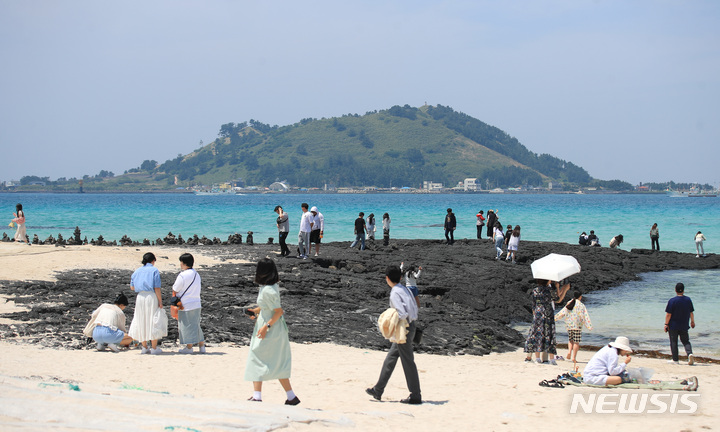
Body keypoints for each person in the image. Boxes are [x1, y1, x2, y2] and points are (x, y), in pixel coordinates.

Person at [244, 258, 300, 405]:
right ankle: (290, 396)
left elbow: (278, 311)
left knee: (257, 357)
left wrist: (265, 327)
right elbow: (267, 307)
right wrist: (255, 311)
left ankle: (258, 396)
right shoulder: (270, 286)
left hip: (270, 328)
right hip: (270, 326)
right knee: (274, 361)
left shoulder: (268, 290)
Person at [366, 265, 422, 404]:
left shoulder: (395, 292)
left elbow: (401, 313)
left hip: (404, 328)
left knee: (408, 362)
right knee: (391, 358)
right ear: (401, 277)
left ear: (387, 278)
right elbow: (414, 307)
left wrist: (390, 317)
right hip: (410, 326)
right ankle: (378, 390)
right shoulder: (405, 289)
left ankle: (415, 395)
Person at [524, 279, 570, 364]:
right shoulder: (549, 290)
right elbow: (558, 300)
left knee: (537, 334)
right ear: (546, 281)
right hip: (547, 314)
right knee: (548, 334)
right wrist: (565, 290)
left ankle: (537, 358)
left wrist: (535, 314)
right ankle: (548, 359)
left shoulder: (535, 290)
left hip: (538, 313)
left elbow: (533, 305)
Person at [128, 252, 165, 355]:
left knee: (141, 320)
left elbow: (132, 287)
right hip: (151, 296)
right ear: (153, 260)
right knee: (153, 320)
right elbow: (157, 287)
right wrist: (160, 301)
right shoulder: (154, 270)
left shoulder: (137, 271)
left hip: (140, 297)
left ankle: (144, 347)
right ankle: (154, 347)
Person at [173, 253, 206, 354]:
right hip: (196, 303)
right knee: (196, 325)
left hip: (185, 304)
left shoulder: (182, 275)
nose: (180, 264)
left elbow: (175, 288)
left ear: (184, 263)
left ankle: (189, 347)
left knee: (187, 326)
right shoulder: (196, 274)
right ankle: (202, 346)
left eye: (181, 262)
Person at [554, 290, 593, 366]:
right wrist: (589, 326)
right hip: (577, 326)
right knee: (576, 342)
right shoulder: (581, 305)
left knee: (570, 340)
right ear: (580, 296)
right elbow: (585, 316)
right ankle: (574, 358)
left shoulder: (569, 303)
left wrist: (555, 318)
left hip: (569, 325)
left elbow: (562, 312)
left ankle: (569, 351)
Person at [665, 282, 695, 365]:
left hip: (673, 325)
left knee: (674, 342)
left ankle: (675, 360)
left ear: (675, 290)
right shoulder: (688, 300)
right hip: (684, 324)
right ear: (683, 290)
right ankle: (689, 354)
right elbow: (691, 312)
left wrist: (666, 324)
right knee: (686, 341)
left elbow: (668, 314)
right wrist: (692, 321)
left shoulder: (672, 301)